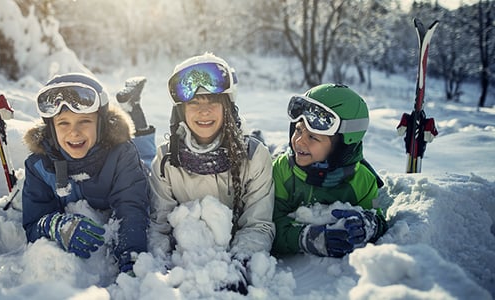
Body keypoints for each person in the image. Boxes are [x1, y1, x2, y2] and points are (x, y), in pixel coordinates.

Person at [148, 53, 275, 294]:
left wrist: (241, 262)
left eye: (212, 101)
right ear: (181, 111)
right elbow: (159, 227)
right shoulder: (165, 161)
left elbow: (258, 224)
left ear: (227, 107)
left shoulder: (255, 156)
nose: (203, 111)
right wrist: (162, 267)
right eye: (194, 103)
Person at [21, 72, 153, 275]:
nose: (74, 132)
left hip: (131, 162)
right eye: (63, 123)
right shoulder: (39, 166)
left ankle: (132, 109)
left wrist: (131, 255)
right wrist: (54, 225)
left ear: (100, 124)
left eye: (84, 121)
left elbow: (131, 206)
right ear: (51, 129)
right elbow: (33, 221)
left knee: (146, 160)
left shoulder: (122, 154)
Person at [271, 83, 388, 258]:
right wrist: (307, 238)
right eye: (298, 130)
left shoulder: (363, 180)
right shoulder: (282, 171)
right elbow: (270, 225)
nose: (299, 141)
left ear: (341, 146)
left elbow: (378, 216)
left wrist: (367, 225)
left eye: (313, 137)